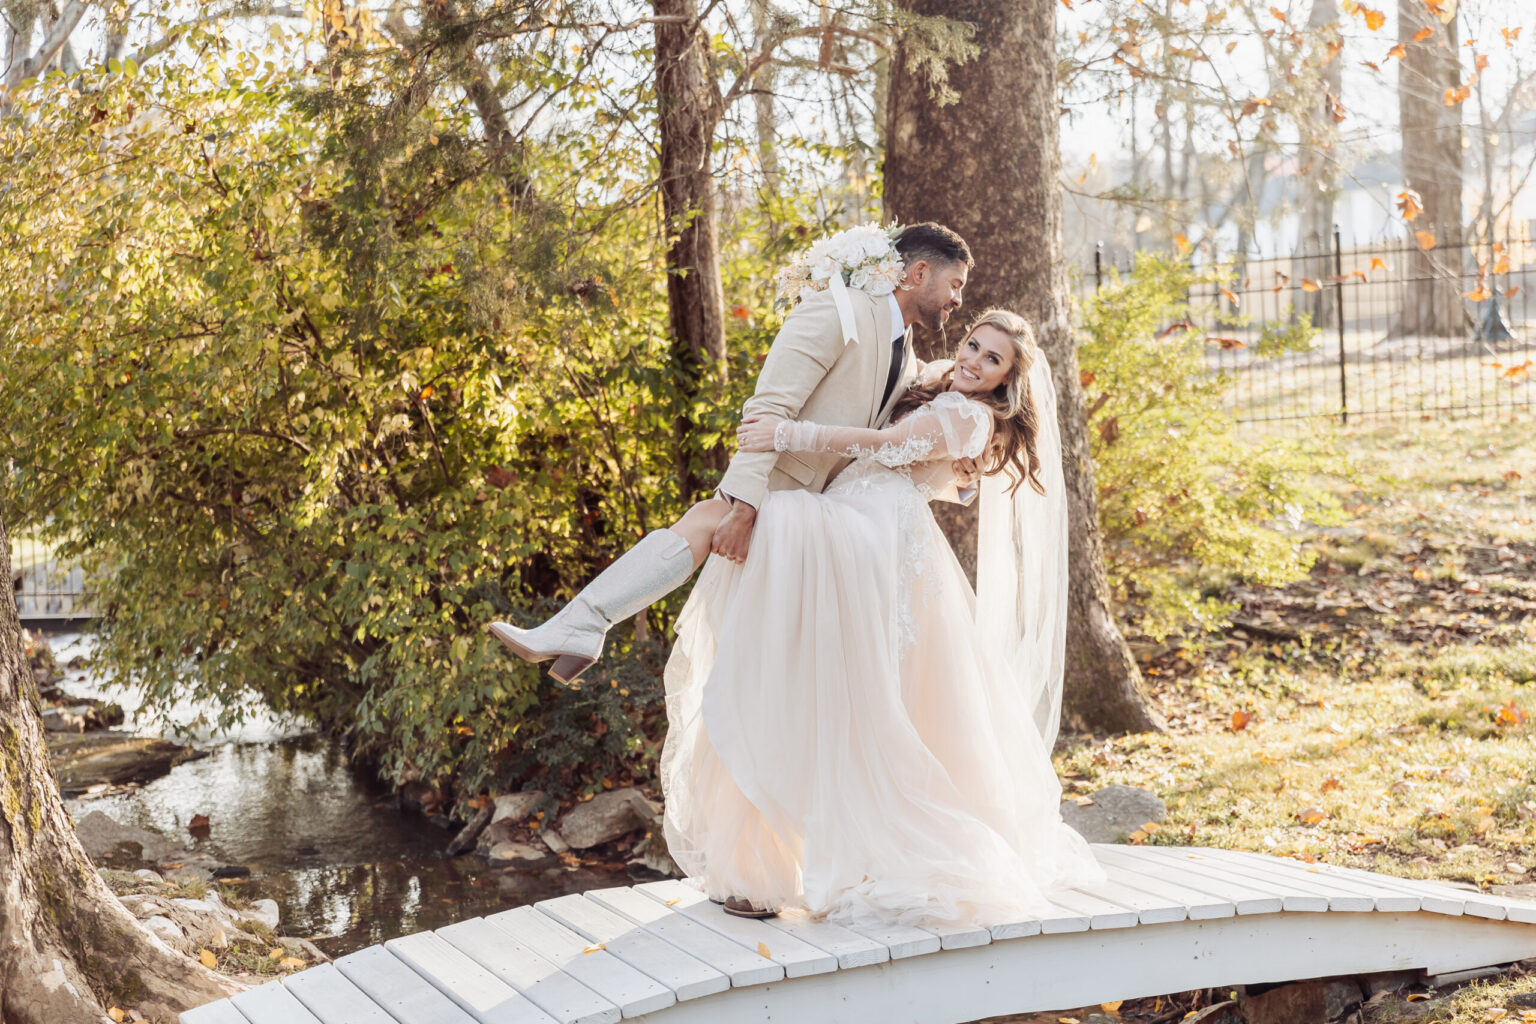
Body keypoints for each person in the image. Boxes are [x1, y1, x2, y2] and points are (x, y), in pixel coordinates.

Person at [661, 308, 1103, 925]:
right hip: (864, 525)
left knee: (751, 529)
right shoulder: (945, 387)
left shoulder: (971, 413)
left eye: (991, 359)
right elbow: (927, 455)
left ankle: (592, 619)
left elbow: (893, 447)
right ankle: (774, 858)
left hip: (873, 534)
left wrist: (788, 433)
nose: (973, 359)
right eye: (974, 344)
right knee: (845, 692)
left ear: (1007, 381)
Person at [488, 224, 978, 684]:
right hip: (784, 493)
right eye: (954, 284)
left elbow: (896, 442)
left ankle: (584, 625)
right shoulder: (838, 309)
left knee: (771, 652)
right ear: (917, 274)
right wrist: (743, 506)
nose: (958, 299)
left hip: (832, 519)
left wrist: (962, 470)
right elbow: (770, 409)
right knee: (711, 526)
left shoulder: (908, 352)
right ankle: (584, 624)